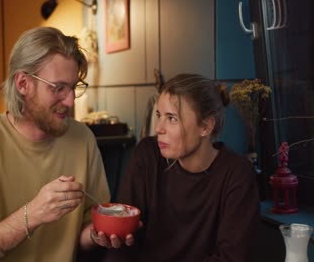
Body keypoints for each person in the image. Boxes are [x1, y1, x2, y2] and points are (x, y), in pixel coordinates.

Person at [0, 27, 111, 261]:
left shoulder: (83, 138)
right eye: (58, 88)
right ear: (23, 84)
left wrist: (96, 234)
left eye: (74, 87)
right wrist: (33, 214)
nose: (70, 100)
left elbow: (87, 225)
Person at [103, 74, 260, 261]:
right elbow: (121, 243)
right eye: (159, 115)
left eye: (172, 119)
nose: (159, 128)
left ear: (205, 127)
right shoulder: (147, 155)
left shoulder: (237, 174)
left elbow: (232, 257)